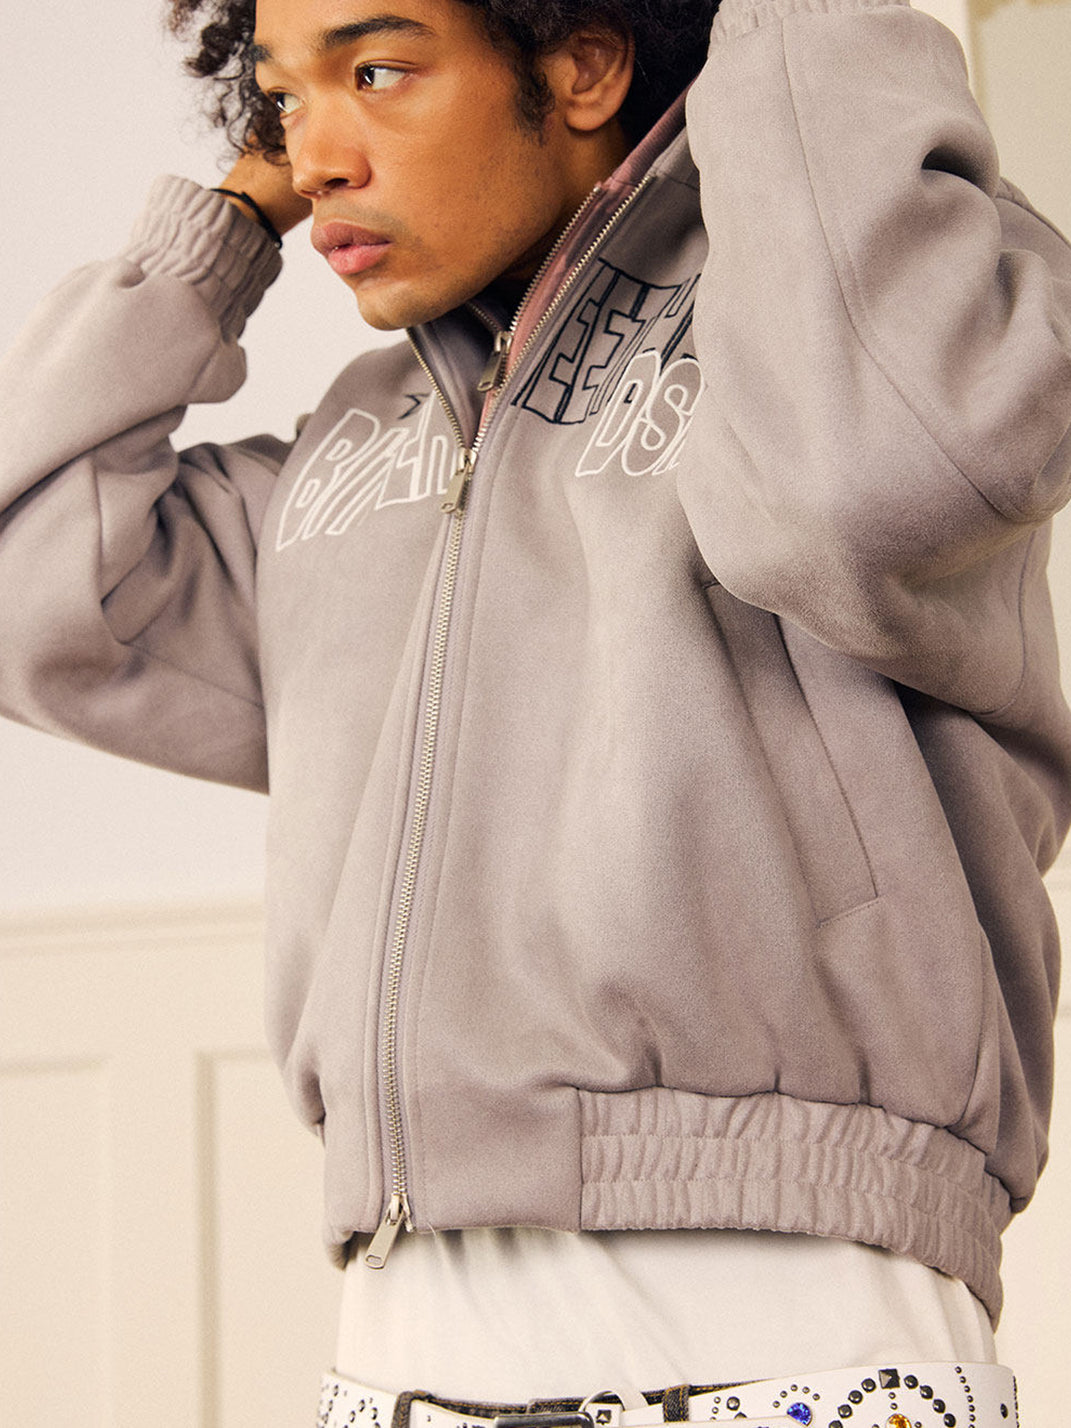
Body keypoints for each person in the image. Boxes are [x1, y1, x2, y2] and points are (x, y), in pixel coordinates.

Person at [1, 0, 1070, 1422]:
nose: (315, 155)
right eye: (281, 101)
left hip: (799, 1335)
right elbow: (29, 585)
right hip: (399, 1361)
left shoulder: (861, 336)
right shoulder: (355, 447)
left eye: (379, 69)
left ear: (583, 59)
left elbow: (866, 488)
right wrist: (226, 230)